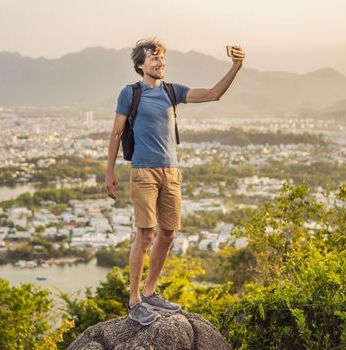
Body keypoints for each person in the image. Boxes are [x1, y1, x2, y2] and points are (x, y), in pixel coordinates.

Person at [105, 38, 245, 326]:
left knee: (168, 235)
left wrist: (237, 66)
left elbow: (214, 94)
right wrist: (109, 172)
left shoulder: (172, 91)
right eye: (153, 58)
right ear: (140, 65)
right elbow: (117, 133)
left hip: (172, 172)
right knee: (144, 236)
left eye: (162, 58)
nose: (160, 63)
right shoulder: (130, 94)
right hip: (143, 171)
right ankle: (134, 301)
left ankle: (150, 291)